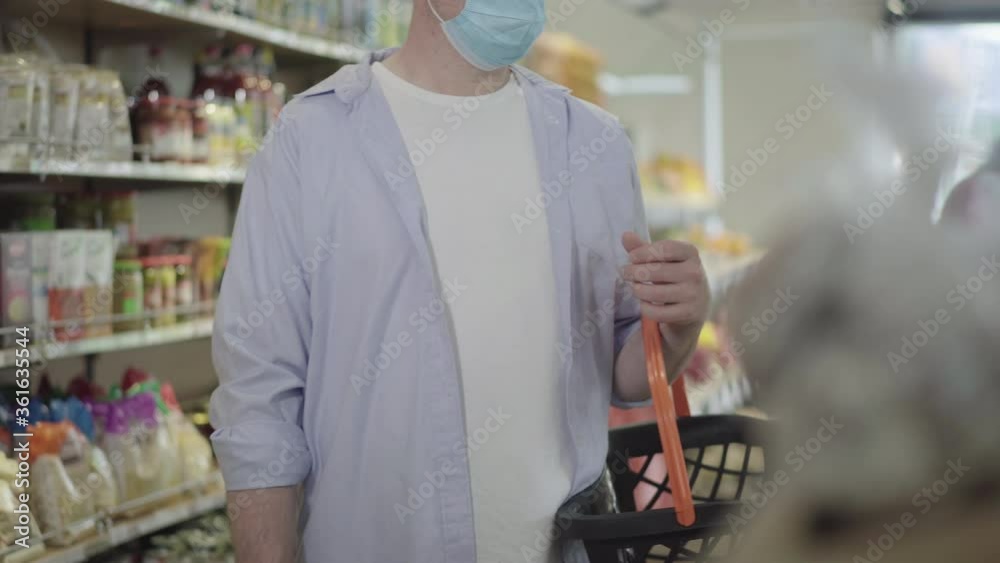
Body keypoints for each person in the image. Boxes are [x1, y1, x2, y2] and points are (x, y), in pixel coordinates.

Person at [208, 1, 709, 561]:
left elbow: (624, 367)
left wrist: (677, 327)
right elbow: (259, 403)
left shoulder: (593, 144)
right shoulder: (310, 141)